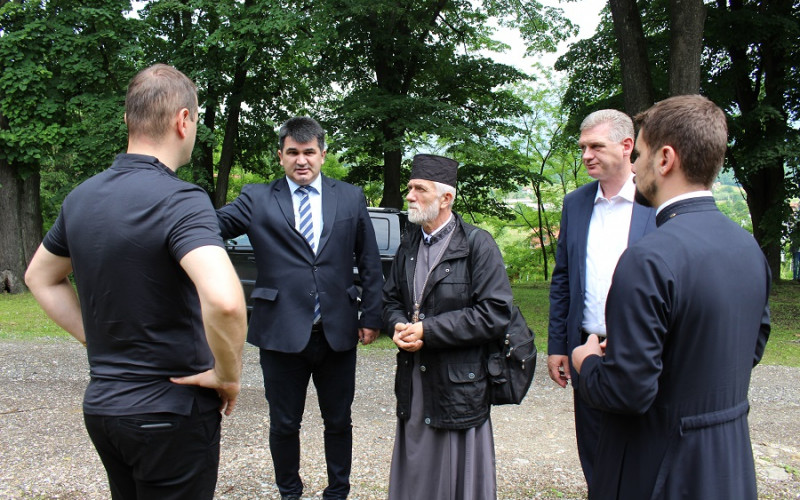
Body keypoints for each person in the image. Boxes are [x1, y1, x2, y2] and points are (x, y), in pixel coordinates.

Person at [24, 64, 248, 500]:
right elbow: (225, 302)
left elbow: (40, 277)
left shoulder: (81, 197)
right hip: (170, 412)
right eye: (197, 120)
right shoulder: (181, 199)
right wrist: (227, 374)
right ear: (184, 121)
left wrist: (97, 339)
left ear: (128, 120)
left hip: (105, 409)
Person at [572, 95, 771, 499]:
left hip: (660, 467)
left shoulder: (647, 258)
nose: (633, 165)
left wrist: (588, 362)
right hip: (728, 465)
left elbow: (627, 392)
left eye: (639, 153)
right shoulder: (748, 247)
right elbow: (750, 345)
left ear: (665, 159)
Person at [216, 116, 383, 500]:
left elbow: (370, 261)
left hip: (337, 330)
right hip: (280, 331)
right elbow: (211, 224)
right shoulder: (257, 198)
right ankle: (289, 492)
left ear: (323, 154)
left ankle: (338, 491)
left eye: (309, 152)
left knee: (339, 420)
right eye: (293, 152)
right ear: (281, 156)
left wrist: (371, 316)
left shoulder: (350, 198)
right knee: (284, 422)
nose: (301, 160)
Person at [383, 154, 514, 500]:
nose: (409, 195)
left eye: (419, 189)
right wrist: (397, 325)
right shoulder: (408, 244)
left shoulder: (477, 244)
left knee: (459, 475)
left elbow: (495, 313)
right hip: (415, 379)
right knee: (417, 465)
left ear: (446, 198)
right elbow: (390, 300)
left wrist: (428, 331)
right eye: (409, 187)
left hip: (460, 384)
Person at [546, 109, 656, 484]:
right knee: (594, 453)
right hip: (585, 347)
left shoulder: (655, 203)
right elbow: (562, 280)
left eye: (596, 146)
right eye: (582, 148)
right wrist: (558, 345)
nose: (586, 155)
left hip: (641, 349)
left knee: (643, 454)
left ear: (627, 146)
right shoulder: (575, 203)